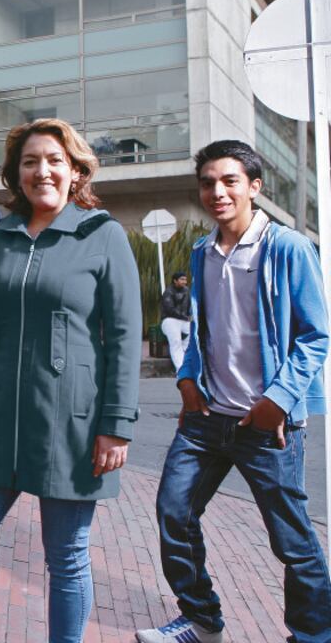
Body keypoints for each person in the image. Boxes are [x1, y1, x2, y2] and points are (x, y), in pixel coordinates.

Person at [0, 118, 141, 643]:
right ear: (15, 173)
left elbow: (123, 337)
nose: (42, 171)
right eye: (30, 161)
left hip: (72, 424)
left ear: (75, 170)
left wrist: (117, 424)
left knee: (66, 559)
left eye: (54, 160)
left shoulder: (103, 235)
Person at [136, 141, 331, 643]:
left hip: (266, 425)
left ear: (254, 187)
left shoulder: (287, 248)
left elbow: (315, 336)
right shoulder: (202, 252)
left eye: (229, 181)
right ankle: (202, 620)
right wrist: (185, 379)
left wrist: (278, 401)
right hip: (206, 419)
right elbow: (204, 330)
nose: (216, 192)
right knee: (173, 513)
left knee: (291, 540)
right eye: (207, 182)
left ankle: (313, 635)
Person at [160, 272, 191, 371]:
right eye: (182, 279)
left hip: (184, 320)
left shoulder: (187, 290)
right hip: (169, 320)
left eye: (185, 280)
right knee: (176, 342)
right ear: (175, 281)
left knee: (191, 337)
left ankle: (186, 363)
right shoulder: (168, 292)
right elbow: (170, 309)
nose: (184, 282)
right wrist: (184, 316)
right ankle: (180, 369)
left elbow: (189, 306)